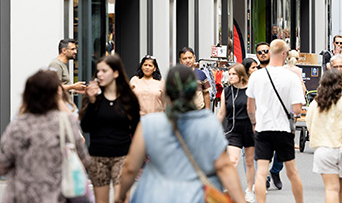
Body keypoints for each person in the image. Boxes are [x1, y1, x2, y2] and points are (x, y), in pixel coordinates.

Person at [115, 64, 246, 203]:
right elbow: (224, 167)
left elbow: (130, 167)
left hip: (153, 195)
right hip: (196, 196)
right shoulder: (209, 124)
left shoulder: (149, 124)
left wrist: (120, 195)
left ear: (166, 92)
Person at [0, 70, 90, 203]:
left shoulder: (18, 126)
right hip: (57, 196)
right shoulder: (65, 123)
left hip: (22, 196)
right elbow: (84, 161)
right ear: (56, 95)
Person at [246, 39, 306, 203]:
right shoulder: (292, 78)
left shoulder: (256, 76)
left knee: (261, 172)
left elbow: (250, 107)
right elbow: (297, 110)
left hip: (263, 127)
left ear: (269, 52)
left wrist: (254, 123)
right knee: (292, 172)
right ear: (285, 54)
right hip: (283, 129)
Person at [80, 55, 141, 203]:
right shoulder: (94, 97)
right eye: (98, 71)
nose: (100, 74)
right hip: (97, 157)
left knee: (120, 199)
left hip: (122, 157)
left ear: (116, 73)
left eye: (104, 71)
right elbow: (85, 127)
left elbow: (136, 129)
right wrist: (92, 102)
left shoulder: (128, 99)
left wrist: (136, 159)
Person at [306, 69, 342, 203]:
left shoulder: (316, 103)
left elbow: (309, 124)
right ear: (340, 84)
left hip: (324, 149)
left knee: (331, 189)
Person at [217, 63, 257, 203]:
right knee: (233, 160)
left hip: (249, 128)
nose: (231, 76)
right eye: (230, 74)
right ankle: (229, 188)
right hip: (233, 129)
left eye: (234, 74)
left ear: (241, 76)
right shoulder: (226, 91)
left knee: (249, 161)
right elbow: (222, 112)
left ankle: (250, 191)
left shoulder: (250, 90)